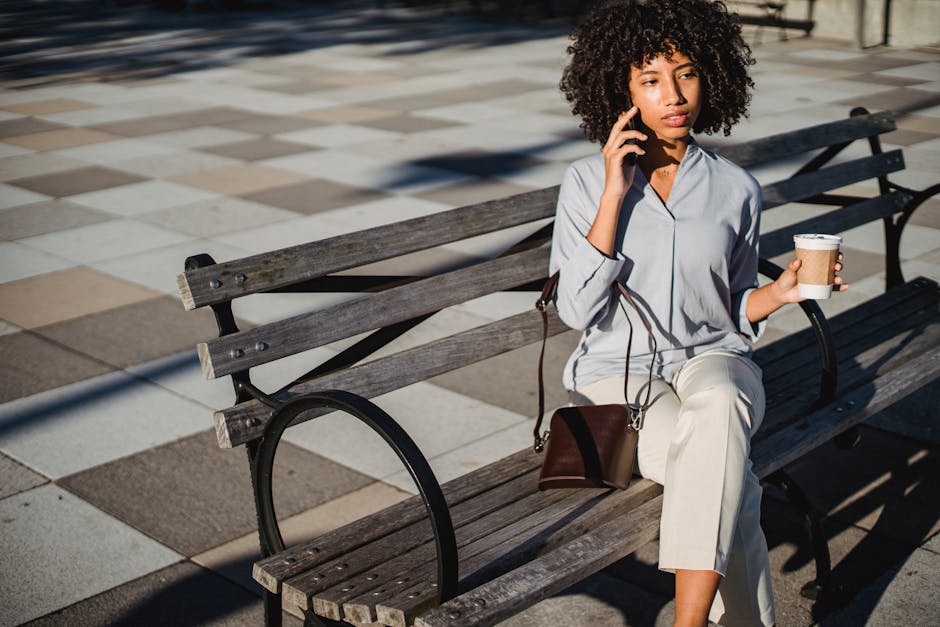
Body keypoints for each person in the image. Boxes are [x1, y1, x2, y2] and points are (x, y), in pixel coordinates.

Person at [550, 1, 846, 626]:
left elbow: (734, 305)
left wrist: (783, 291)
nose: (673, 94)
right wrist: (613, 191)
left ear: (710, 75)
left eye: (685, 73)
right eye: (651, 80)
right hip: (617, 374)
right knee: (728, 481)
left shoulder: (736, 188)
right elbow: (577, 310)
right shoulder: (585, 182)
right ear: (621, 91)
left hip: (714, 359)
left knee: (719, 409)